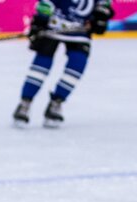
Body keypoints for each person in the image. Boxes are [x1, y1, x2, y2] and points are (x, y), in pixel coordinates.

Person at [12, 0, 114, 128]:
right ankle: (25, 102)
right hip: (53, 27)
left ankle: (56, 102)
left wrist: (101, 16)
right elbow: (46, 3)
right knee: (40, 66)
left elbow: (103, 4)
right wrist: (41, 20)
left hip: (80, 30)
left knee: (77, 65)